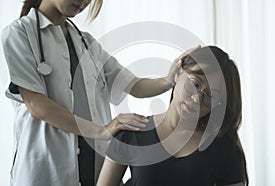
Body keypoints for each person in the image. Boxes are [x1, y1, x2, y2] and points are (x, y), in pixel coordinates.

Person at [1, 0, 181, 185]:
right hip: (46, 170)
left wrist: (168, 80)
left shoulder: (86, 42)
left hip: (94, 169)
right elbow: (37, 105)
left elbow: (133, 85)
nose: (85, 2)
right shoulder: (19, 33)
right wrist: (102, 131)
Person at [97, 46, 249, 186]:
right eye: (195, 84)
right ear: (177, 74)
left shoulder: (224, 148)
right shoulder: (132, 131)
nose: (197, 99)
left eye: (211, 95)